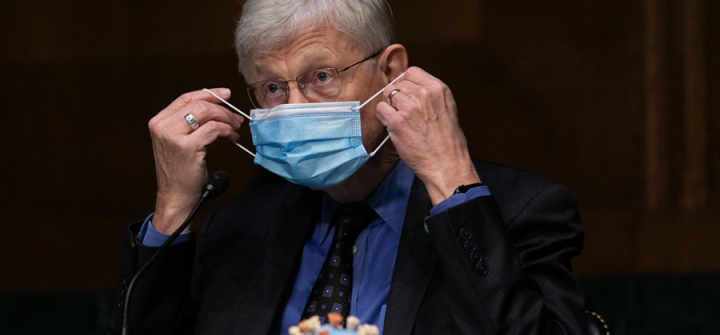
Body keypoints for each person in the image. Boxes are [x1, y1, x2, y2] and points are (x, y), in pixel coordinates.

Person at [109, 0, 587, 334]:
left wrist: (450, 182)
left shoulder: (516, 211)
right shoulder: (239, 231)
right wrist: (172, 208)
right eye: (273, 88)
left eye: (320, 77)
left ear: (391, 70)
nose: (295, 106)